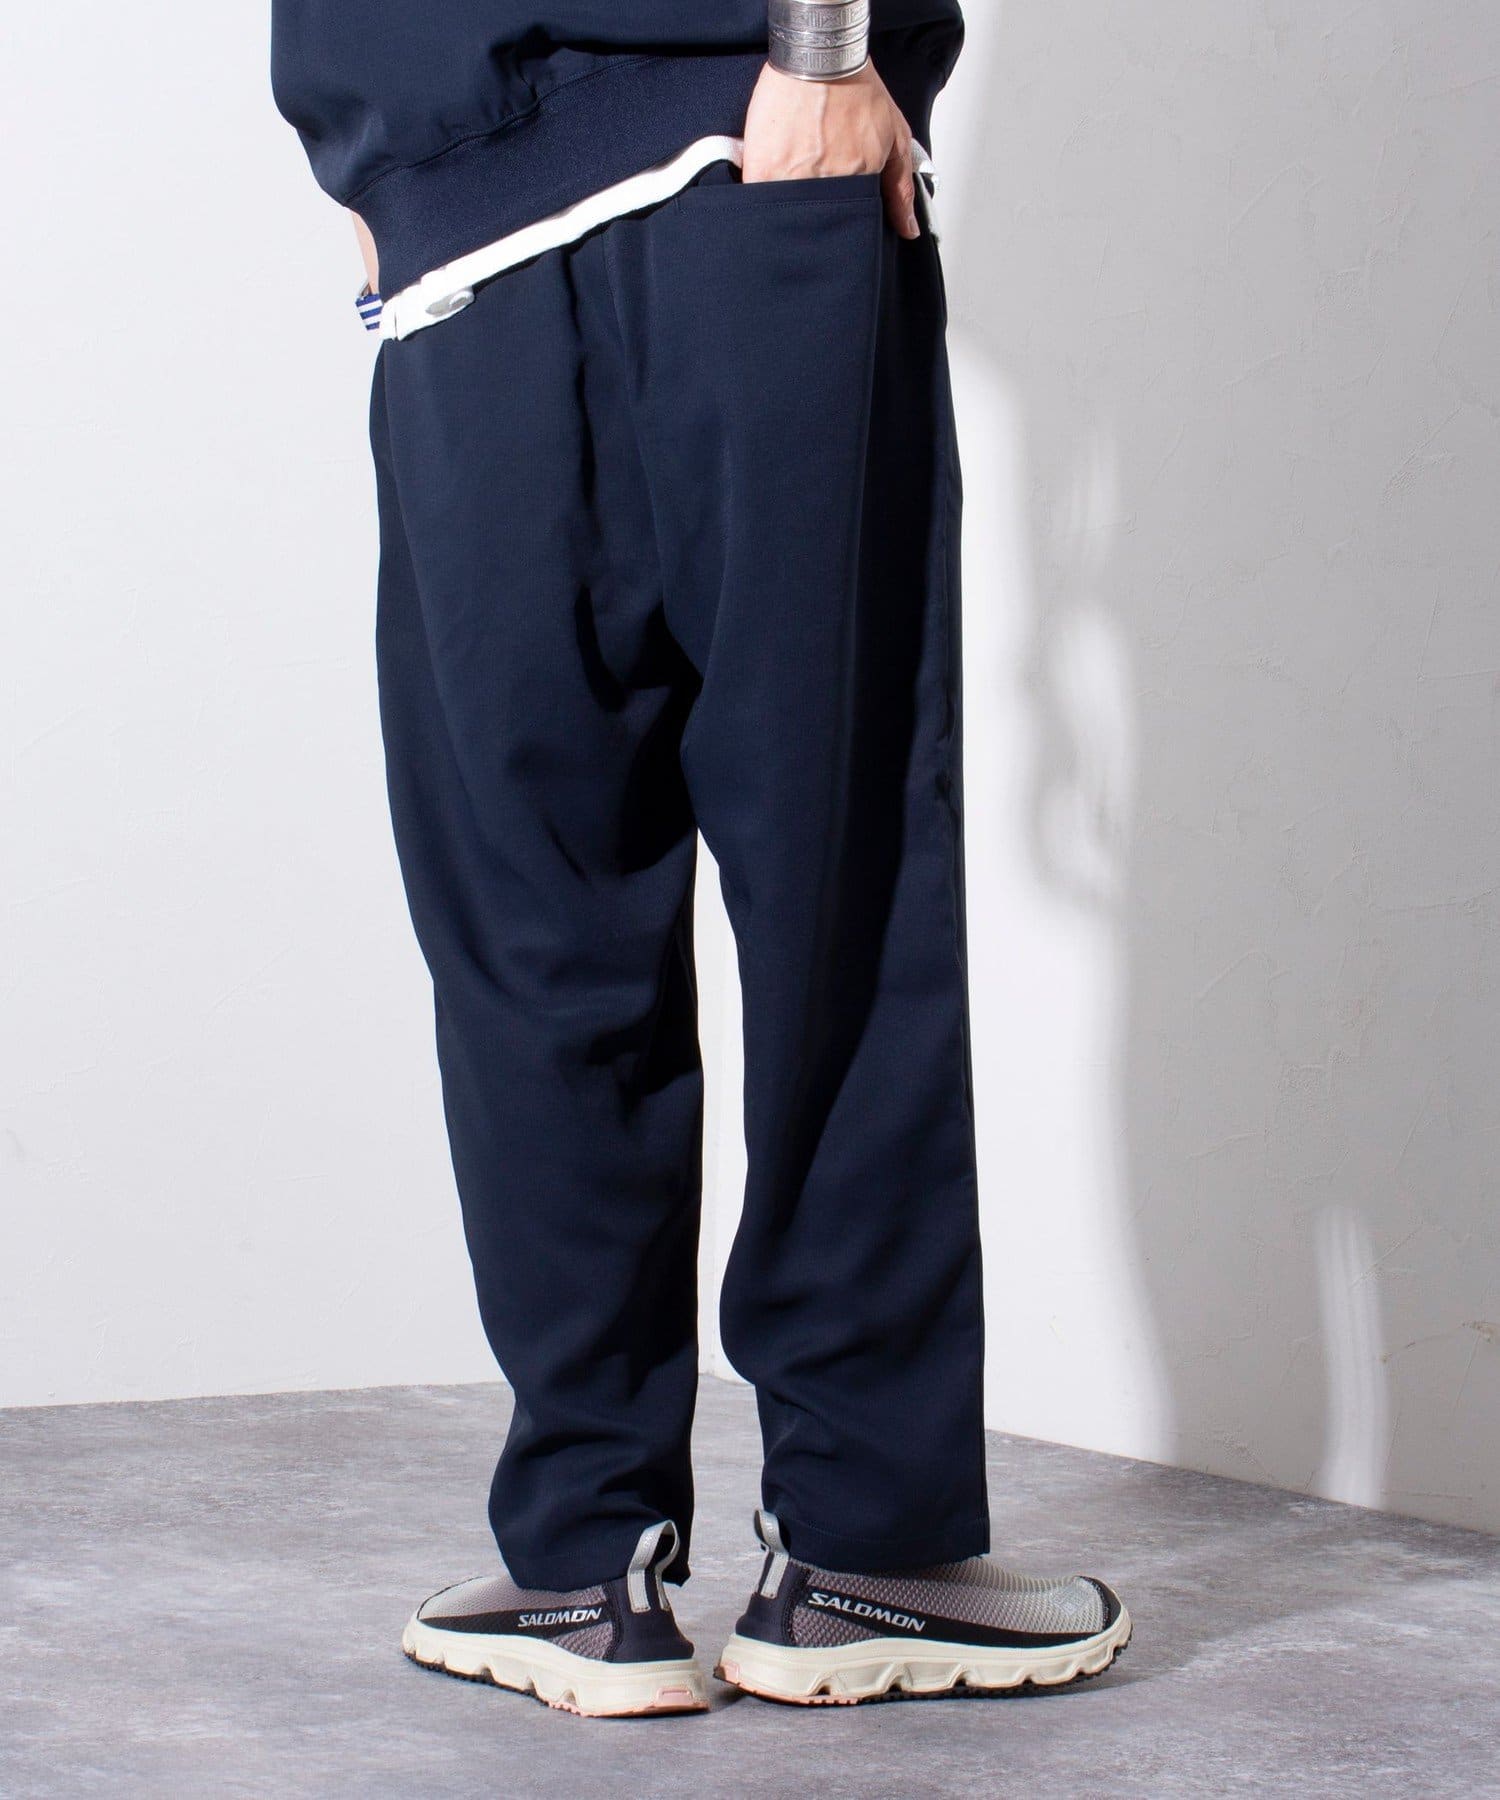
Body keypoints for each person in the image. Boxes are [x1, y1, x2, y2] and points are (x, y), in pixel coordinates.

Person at [272, 0, 1131, 1717]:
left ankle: (583, 1559)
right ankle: (846, 1549)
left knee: (543, 908)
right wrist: (824, 42)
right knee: (815, 884)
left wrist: (375, 146)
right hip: (713, 167)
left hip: (515, 199)